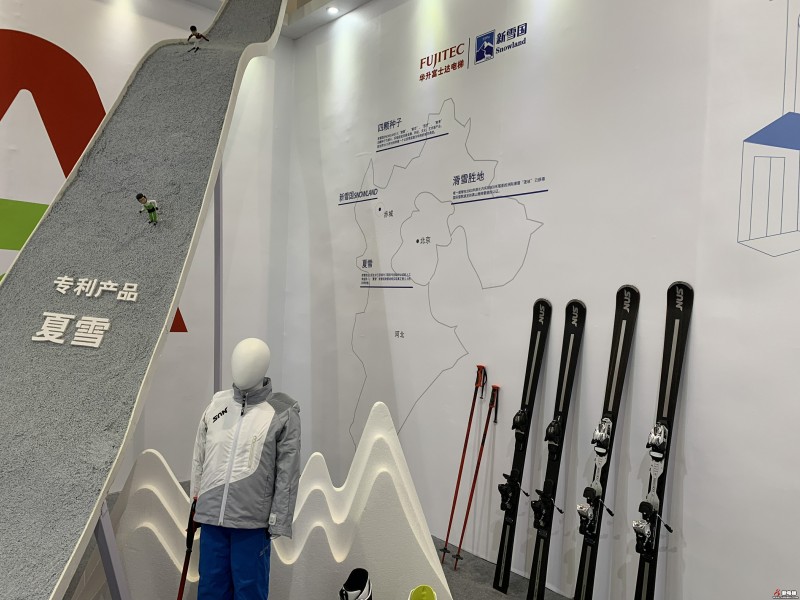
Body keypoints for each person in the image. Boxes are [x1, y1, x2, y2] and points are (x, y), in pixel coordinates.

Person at [190, 338, 301, 599]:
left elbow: (288, 471)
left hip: (251, 522)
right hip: (212, 518)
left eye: (251, 362)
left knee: (249, 590)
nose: (241, 368)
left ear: (264, 368)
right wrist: (196, 500)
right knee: (210, 589)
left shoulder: (282, 411)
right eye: (238, 361)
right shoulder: (217, 405)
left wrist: (278, 519)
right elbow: (199, 456)